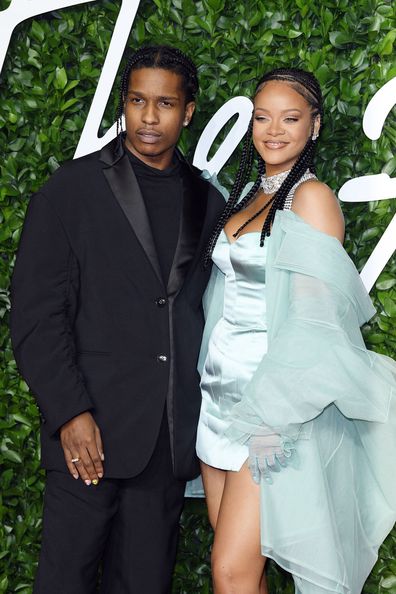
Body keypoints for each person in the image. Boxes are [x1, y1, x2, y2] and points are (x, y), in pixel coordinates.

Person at [10, 45, 225, 594]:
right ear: (123, 104)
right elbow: (37, 315)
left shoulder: (207, 201)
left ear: (189, 111)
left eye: (165, 104)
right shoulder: (71, 189)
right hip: (90, 438)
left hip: (164, 442)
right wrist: (70, 412)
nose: (149, 118)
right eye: (137, 101)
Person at [196, 68, 396, 594]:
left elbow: (315, 324)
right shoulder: (247, 195)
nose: (273, 129)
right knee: (241, 566)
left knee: (230, 572)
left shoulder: (311, 200)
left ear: (315, 126)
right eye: (263, 117)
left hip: (271, 411)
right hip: (218, 397)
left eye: (290, 118)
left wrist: (272, 420)